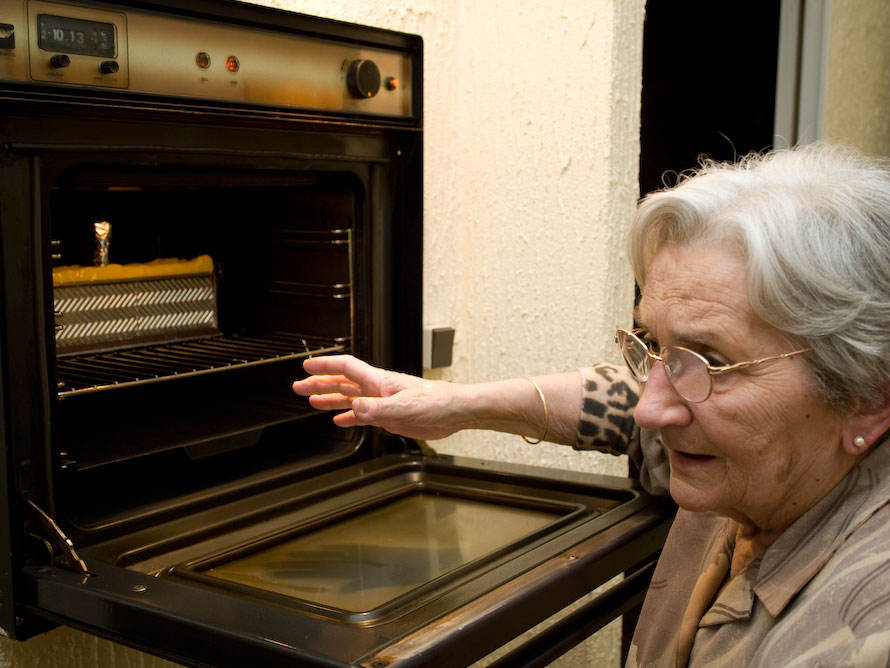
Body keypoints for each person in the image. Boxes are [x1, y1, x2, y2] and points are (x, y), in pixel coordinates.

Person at [292, 142, 890, 667]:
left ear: (865, 397)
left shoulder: (862, 624)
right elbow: (618, 396)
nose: (652, 410)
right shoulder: (765, 450)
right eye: (655, 346)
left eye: (708, 360)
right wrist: (454, 403)